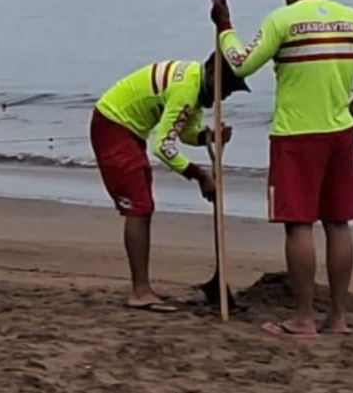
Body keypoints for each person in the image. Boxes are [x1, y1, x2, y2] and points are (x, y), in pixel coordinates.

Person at [211, 0, 353, 338]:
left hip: (296, 135)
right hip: (341, 132)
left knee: (298, 224)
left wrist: (225, 27)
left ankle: (303, 318)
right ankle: (338, 317)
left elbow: (240, 63)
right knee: (338, 222)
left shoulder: (282, 19)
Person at [91, 53, 249, 312]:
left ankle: (142, 287)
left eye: (230, 93)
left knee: (144, 206)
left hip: (128, 131)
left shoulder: (195, 90)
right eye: (226, 89)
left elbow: (183, 132)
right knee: (139, 207)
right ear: (212, 74)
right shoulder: (187, 90)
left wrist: (207, 137)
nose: (224, 97)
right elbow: (163, 147)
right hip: (113, 127)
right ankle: (139, 291)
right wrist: (199, 175)